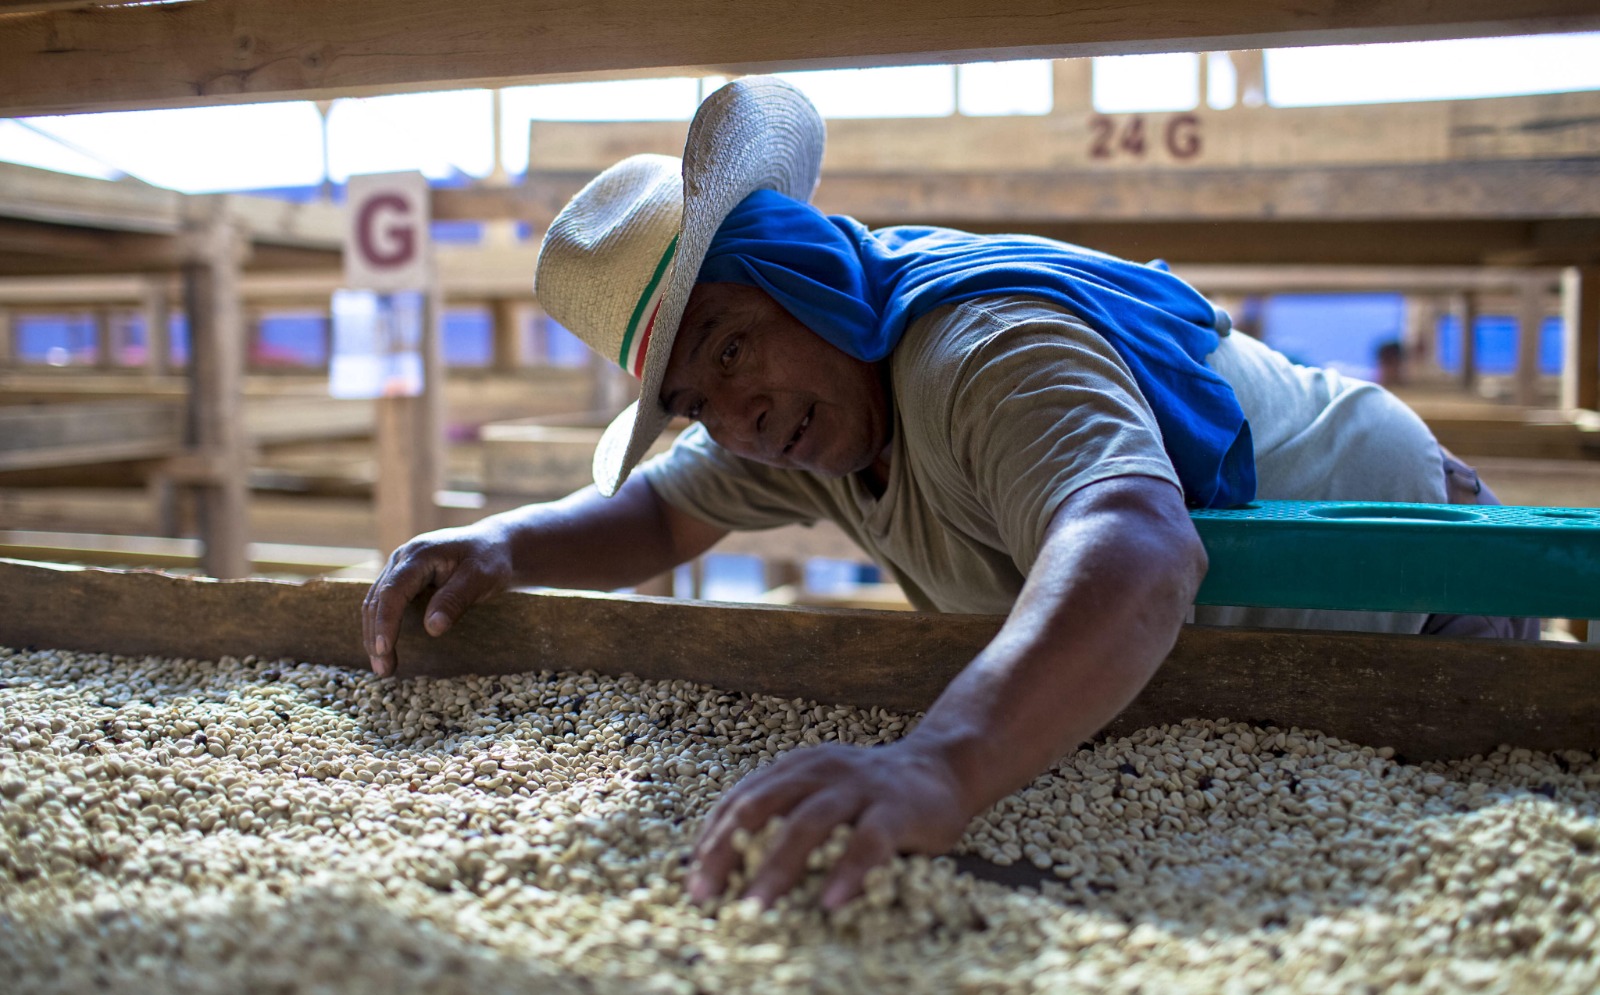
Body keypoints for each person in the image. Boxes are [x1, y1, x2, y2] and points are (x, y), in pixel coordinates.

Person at [361, 77, 1533, 911]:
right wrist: (503, 544)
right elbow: (660, 514)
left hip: (1414, 593)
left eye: (727, 347)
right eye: (693, 397)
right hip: (1232, 686)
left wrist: (941, 761)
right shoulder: (798, 413)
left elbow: (1135, 542)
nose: (734, 412)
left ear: (802, 277)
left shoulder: (980, 349)